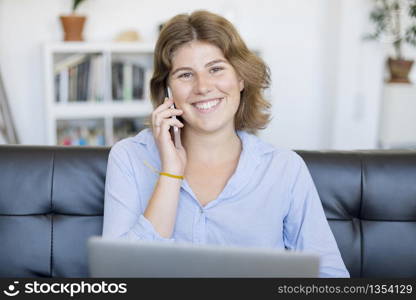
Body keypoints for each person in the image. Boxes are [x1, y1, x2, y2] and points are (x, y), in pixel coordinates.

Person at [102, 10, 349, 278]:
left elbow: (331, 276)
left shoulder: (284, 168)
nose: (203, 87)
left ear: (240, 78)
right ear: (167, 91)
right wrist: (171, 173)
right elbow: (117, 280)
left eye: (216, 69)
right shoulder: (129, 158)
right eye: (185, 75)